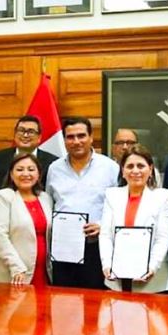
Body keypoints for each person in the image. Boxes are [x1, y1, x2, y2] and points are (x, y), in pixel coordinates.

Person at [46, 117, 119, 290]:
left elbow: (119, 207)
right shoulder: (54, 168)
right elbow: (49, 203)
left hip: (96, 246)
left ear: (91, 137)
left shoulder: (110, 167)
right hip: (63, 248)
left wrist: (102, 226)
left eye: (81, 136)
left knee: (95, 300)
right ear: (64, 140)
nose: (76, 141)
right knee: (63, 299)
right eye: (70, 137)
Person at [100, 144, 168, 293]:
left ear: (150, 169)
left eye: (141, 166)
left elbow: (162, 238)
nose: (135, 171)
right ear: (123, 171)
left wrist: (151, 268)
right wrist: (106, 265)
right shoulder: (112, 195)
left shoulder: (163, 197)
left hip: (152, 282)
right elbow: (105, 235)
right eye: (130, 166)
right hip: (116, 279)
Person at [0, 153, 53, 286]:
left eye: (31, 169)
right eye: (19, 169)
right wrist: (16, 266)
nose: (25, 174)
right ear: (11, 175)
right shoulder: (3, 197)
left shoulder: (45, 198)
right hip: (14, 273)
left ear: (39, 174)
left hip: (43, 272)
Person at [0, 116, 58, 192]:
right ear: (15, 134)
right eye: (21, 130)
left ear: (39, 137)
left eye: (31, 132)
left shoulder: (52, 161)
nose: (25, 135)